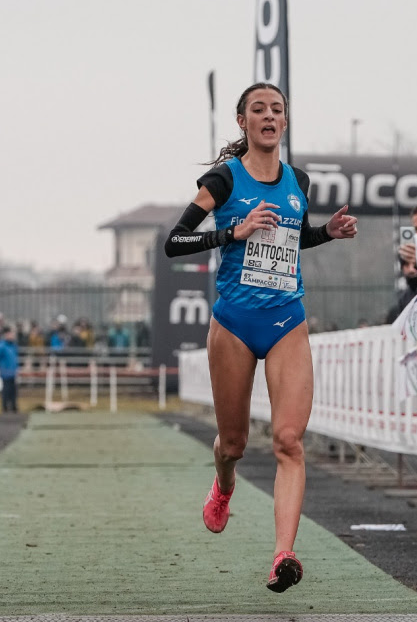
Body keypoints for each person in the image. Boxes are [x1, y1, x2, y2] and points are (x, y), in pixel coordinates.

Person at [163, 82, 357, 593]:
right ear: (242, 122)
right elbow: (174, 242)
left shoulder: (299, 180)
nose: (269, 116)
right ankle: (223, 486)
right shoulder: (224, 180)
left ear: (286, 122)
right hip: (234, 325)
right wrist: (232, 232)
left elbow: (293, 238)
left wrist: (326, 235)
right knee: (233, 443)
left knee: (289, 441)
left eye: (277, 109)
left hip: (287, 319)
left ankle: (282, 556)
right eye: (258, 110)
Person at [0, 327, 19, 413]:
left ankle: (13, 407)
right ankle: (5, 408)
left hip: (12, 371)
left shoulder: (13, 345)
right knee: (6, 390)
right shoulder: (1, 345)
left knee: (13, 391)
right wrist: (0, 366)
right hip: (5, 371)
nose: (13, 336)